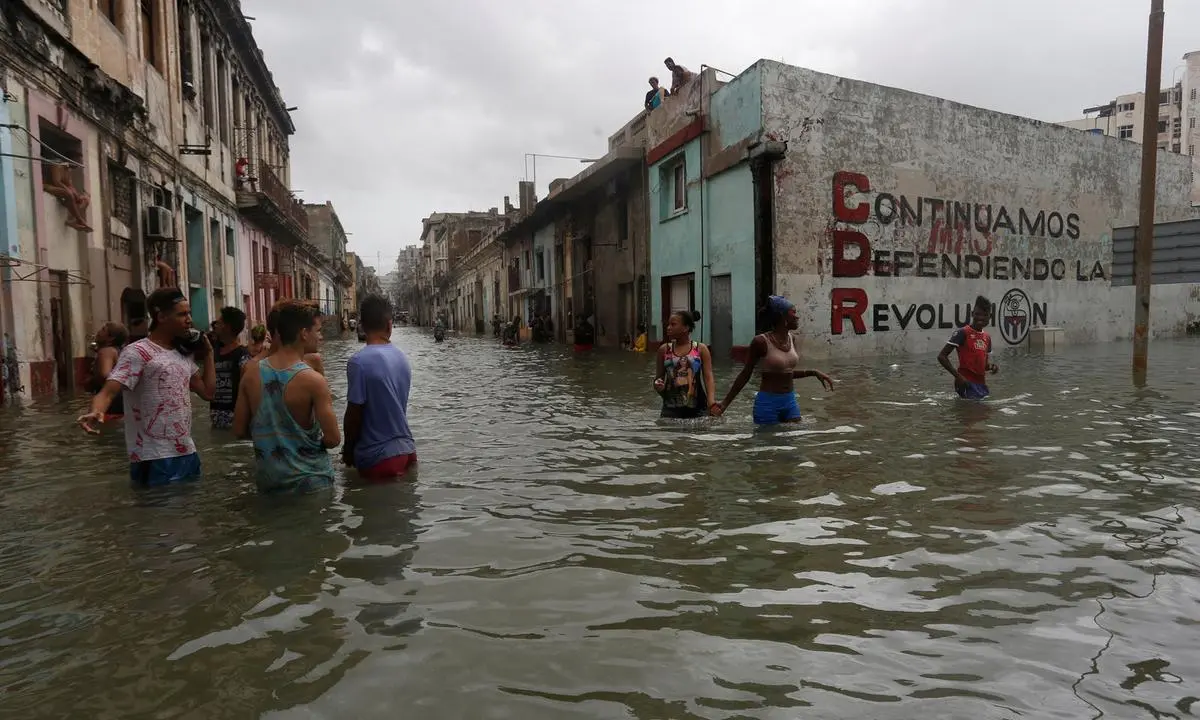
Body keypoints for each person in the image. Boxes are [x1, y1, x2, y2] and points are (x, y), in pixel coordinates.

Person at [77, 287, 216, 486]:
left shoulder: (182, 354)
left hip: (187, 452)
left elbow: (208, 393)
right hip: (152, 456)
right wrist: (96, 411)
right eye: (182, 314)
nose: (189, 320)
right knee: (156, 513)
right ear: (161, 316)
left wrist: (209, 354)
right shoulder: (137, 352)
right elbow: (109, 391)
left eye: (189, 313)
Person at [233, 299, 338, 494]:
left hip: (270, 482)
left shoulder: (250, 374)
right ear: (304, 334)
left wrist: (274, 439)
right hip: (312, 482)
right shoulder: (313, 380)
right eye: (317, 330)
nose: (320, 337)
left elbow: (239, 430)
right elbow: (333, 439)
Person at [719, 295, 833, 425]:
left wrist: (813, 372)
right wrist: (724, 404)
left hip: (790, 401)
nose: (797, 317)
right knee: (768, 442)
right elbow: (746, 374)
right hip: (767, 403)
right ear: (782, 317)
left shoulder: (792, 339)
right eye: (793, 313)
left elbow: (786, 373)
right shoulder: (760, 342)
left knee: (794, 439)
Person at [343, 294, 417, 482]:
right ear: (389, 325)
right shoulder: (402, 358)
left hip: (378, 459)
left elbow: (354, 413)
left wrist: (348, 450)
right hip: (408, 452)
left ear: (361, 325)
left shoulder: (359, 362)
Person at [654, 310, 720, 419]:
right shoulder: (664, 350)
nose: (668, 327)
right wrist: (657, 385)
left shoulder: (700, 349)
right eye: (668, 324)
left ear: (686, 328)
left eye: (673, 324)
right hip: (670, 408)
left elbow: (708, 377)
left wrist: (711, 402)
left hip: (698, 407)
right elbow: (659, 377)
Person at [938, 295, 999, 400]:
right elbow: (942, 356)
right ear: (972, 314)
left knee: (984, 414)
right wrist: (958, 376)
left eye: (985, 315)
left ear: (990, 316)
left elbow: (983, 365)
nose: (980, 318)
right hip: (966, 383)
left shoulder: (987, 338)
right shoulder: (963, 332)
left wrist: (991, 366)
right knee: (972, 413)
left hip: (981, 385)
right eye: (977, 314)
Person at [210, 306, 251, 430]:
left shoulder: (242, 355)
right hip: (215, 416)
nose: (215, 325)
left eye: (219, 322)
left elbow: (247, 388)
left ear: (226, 327)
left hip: (235, 417)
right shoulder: (213, 352)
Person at [88, 322, 128, 422]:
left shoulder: (106, 351)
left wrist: (91, 381)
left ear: (111, 338)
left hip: (110, 401)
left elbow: (105, 375)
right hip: (120, 398)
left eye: (103, 330)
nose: (98, 332)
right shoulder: (117, 351)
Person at [43, 163, 92, 231]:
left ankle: (72, 221)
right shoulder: (57, 166)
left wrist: (77, 196)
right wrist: (69, 191)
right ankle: (79, 219)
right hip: (47, 185)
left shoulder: (68, 170)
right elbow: (57, 182)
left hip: (59, 191)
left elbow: (70, 185)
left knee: (85, 200)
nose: (77, 165)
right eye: (77, 162)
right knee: (68, 194)